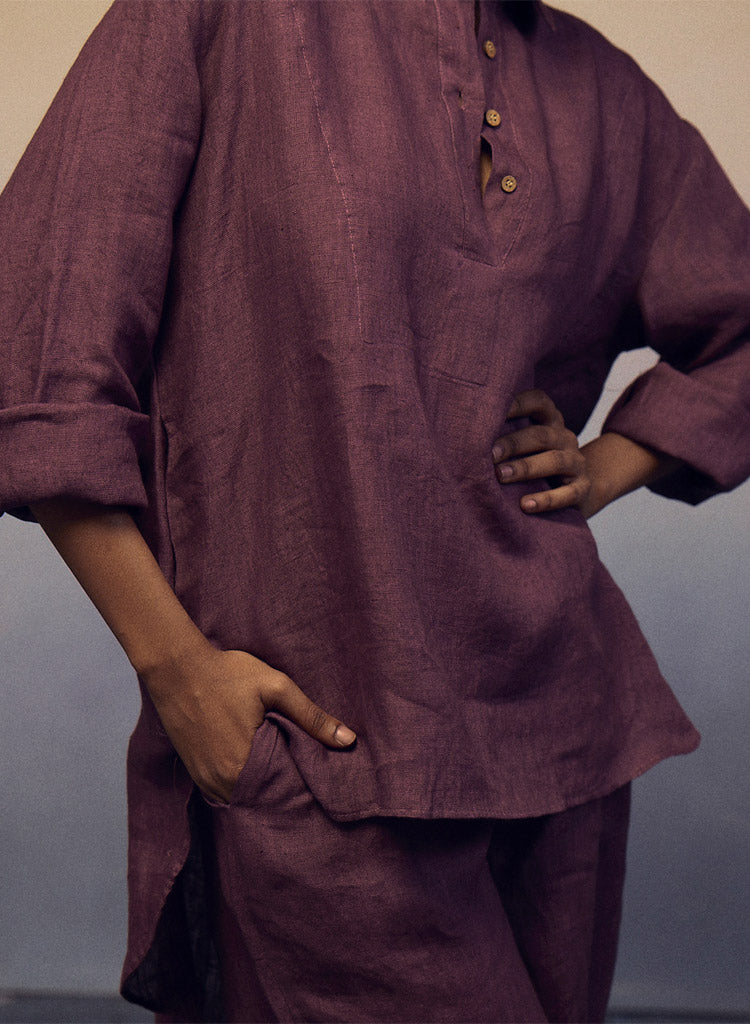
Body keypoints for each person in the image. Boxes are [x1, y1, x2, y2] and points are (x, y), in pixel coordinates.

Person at [1, 1, 748, 1021]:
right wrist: (178, 671)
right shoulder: (220, 18)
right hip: (323, 745)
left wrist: (610, 461)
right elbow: (42, 362)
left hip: (564, 738)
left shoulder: (607, 94)